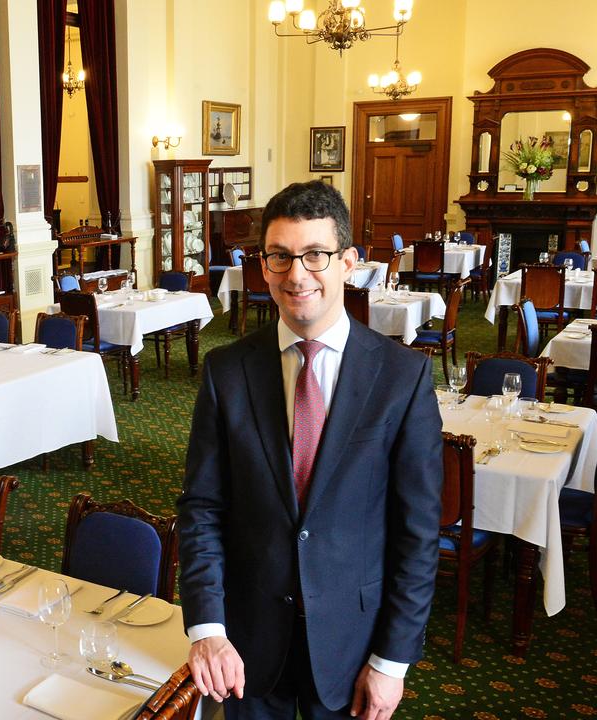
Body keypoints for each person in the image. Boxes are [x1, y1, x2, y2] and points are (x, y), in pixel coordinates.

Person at [178, 181, 442, 719]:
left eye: (315, 255)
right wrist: (207, 627)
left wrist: (393, 662)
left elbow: (418, 533)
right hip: (245, 646)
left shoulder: (402, 377)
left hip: (353, 641)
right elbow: (202, 509)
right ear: (264, 264)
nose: (296, 274)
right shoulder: (226, 372)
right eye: (280, 257)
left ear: (348, 261)